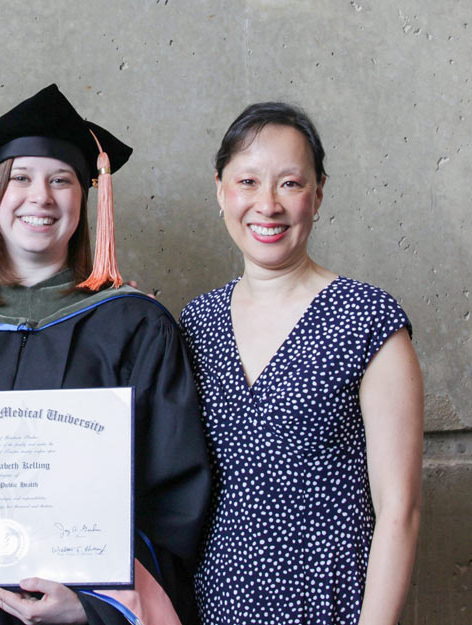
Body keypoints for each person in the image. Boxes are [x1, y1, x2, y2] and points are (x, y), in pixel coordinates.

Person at [0, 84, 211, 625]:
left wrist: (94, 605)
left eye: (61, 179)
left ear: (85, 200)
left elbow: (173, 496)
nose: (41, 197)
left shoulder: (133, 324)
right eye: (20, 178)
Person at [180, 102, 423, 624]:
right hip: (213, 605)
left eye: (290, 183)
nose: (266, 204)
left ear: (318, 194)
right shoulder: (195, 324)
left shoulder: (367, 319)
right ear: (220, 189)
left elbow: (399, 511)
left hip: (328, 606)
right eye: (247, 181)